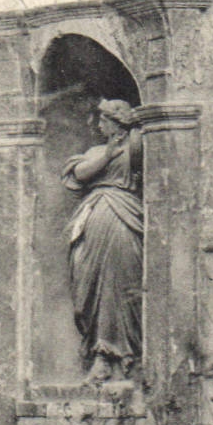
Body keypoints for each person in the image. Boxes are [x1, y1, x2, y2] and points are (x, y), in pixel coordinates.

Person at [61, 98, 144, 383]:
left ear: (116, 122)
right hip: (92, 221)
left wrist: (133, 132)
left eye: (104, 120)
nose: (99, 125)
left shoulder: (136, 145)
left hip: (125, 218)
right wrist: (107, 154)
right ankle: (99, 350)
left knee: (120, 283)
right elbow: (79, 174)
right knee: (90, 282)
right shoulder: (97, 150)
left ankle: (117, 355)